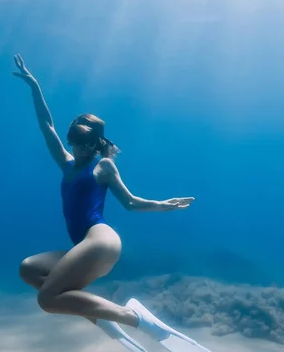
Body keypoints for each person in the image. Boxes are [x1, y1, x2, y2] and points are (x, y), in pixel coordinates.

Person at [12, 53, 195, 330]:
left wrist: (163, 204)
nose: (78, 149)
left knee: (46, 299)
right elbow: (46, 125)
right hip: (84, 246)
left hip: (100, 241)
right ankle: (96, 311)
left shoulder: (104, 166)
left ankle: (132, 318)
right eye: (74, 142)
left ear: (96, 144)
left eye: (85, 144)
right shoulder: (67, 164)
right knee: (29, 269)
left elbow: (131, 202)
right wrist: (35, 86)